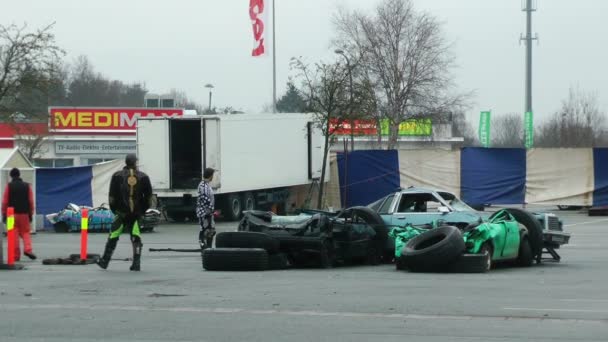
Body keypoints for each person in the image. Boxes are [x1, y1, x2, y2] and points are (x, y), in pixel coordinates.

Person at [97, 153, 154, 271]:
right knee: (136, 237)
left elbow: (112, 197)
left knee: (113, 235)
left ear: (126, 162)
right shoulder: (143, 177)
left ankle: (105, 261)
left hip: (121, 212)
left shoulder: (116, 176)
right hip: (137, 213)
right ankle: (136, 264)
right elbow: (149, 197)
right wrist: (142, 210)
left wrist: (115, 210)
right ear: (136, 162)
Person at [2, 168, 36, 261]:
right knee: (25, 232)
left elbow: (5, 202)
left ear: (11, 176)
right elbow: (31, 201)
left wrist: (4, 214)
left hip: (11, 215)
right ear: (19, 175)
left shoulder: (9, 186)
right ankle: (28, 250)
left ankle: (15, 255)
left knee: (13, 234)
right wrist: (31, 214)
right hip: (24, 214)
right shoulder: (27, 186)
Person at [197, 168, 216, 249]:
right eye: (213, 175)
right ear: (210, 176)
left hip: (208, 212)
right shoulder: (203, 185)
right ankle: (204, 248)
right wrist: (212, 209)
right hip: (204, 212)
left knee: (210, 230)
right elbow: (205, 198)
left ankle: (209, 247)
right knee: (204, 230)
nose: (213, 177)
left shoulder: (207, 185)